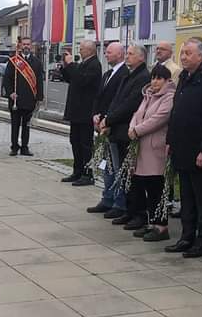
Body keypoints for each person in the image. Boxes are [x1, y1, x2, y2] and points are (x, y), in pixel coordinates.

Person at [165, 39, 202, 258]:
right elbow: (176, 111)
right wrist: (170, 140)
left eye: (188, 53)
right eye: (182, 53)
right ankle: (186, 236)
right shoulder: (185, 76)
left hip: (198, 148)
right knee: (186, 196)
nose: (183, 57)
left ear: (201, 55)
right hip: (181, 145)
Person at [126, 63, 175, 242]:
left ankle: (161, 226)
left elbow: (159, 119)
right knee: (145, 187)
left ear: (167, 80)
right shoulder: (147, 95)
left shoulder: (169, 97)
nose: (155, 81)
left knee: (157, 188)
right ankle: (152, 222)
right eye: (153, 77)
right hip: (142, 149)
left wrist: (137, 130)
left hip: (155, 150)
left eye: (159, 78)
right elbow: (137, 114)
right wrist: (132, 127)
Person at [102, 44, 150, 226]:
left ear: (141, 57)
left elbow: (130, 104)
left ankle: (138, 212)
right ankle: (128, 210)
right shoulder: (129, 75)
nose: (127, 56)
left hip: (128, 131)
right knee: (123, 173)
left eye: (131, 54)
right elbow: (117, 100)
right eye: (127, 53)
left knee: (131, 174)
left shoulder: (143, 77)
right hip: (118, 130)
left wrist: (110, 120)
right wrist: (107, 119)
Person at [86, 42, 129, 216]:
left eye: (109, 52)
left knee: (117, 166)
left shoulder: (124, 74)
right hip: (102, 126)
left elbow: (118, 102)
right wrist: (96, 115)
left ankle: (119, 202)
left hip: (114, 127)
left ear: (120, 54)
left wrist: (107, 120)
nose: (106, 54)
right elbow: (99, 97)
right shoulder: (107, 74)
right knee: (106, 165)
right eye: (106, 52)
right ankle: (107, 198)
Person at [61, 40, 103, 185]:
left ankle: (87, 173)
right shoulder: (83, 64)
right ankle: (77, 171)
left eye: (82, 49)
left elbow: (82, 80)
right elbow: (71, 79)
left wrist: (72, 64)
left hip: (85, 111)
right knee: (75, 141)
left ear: (90, 50)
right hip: (76, 111)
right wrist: (65, 66)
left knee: (85, 144)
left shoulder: (94, 65)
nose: (79, 51)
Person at [4, 36, 44, 156]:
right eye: (24, 44)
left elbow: (39, 81)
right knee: (15, 125)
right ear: (20, 45)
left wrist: (39, 98)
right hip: (16, 99)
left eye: (28, 44)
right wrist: (10, 92)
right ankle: (14, 147)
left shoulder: (37, 62)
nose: (26, 46)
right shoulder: (14, 60)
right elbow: (7, 79)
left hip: (29, 99)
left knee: (26, 125)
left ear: (31, 46)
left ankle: (25, 147)